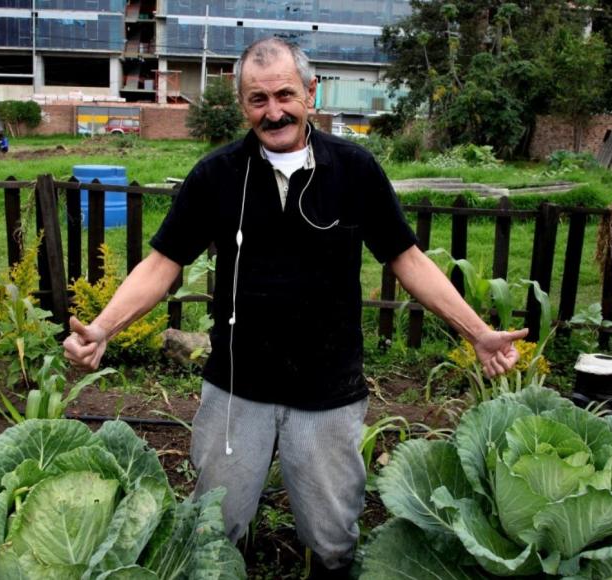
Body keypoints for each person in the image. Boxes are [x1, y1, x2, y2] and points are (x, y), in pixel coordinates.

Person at [64, 37, 528, 579]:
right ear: (243, 105)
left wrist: (476, 332)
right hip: (237, 389)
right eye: (258, 99)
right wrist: (103, 327)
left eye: (285, 94)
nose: (274, 111)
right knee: (217, 530)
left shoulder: (354, 170)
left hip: (328, 390)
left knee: (332, 542)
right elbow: (161, 264)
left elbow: (406, 258)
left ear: (311, 91)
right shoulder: (216, 176)